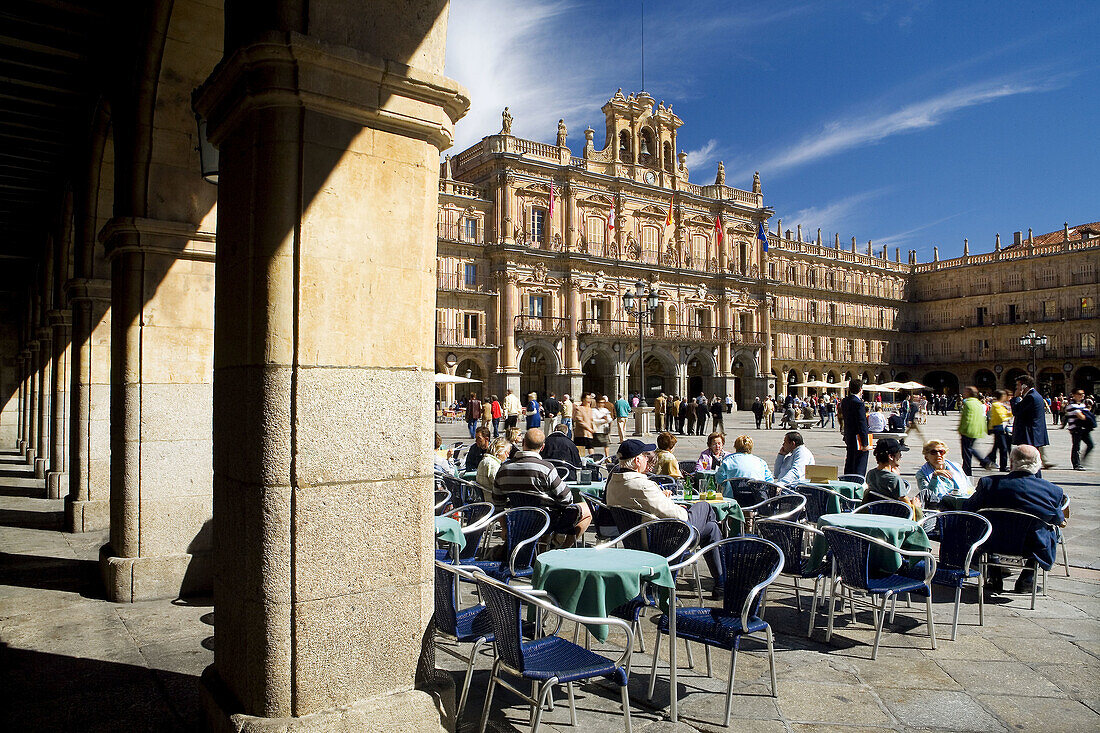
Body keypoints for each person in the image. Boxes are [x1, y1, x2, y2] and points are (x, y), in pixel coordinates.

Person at [605, 439, 725, 593]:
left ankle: (721, 584)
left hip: (634, 540)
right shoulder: (643, 486)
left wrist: (661, 498)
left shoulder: (613, 483)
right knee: (705, 507)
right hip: (663, 541)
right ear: (637, 460)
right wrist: (672, 504)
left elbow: (642, 504)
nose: (647, 459)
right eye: (644, 456)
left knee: (711, 528)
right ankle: (721, 581)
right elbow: (681, 517)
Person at [964, 445, 1068, 593]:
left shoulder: (989, 484)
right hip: (1031, 547)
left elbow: (968, 508)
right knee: (1051, 531)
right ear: (1038, 465)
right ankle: (1027, 579)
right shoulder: (1052, 491)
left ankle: (994, 576)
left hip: (991, 543)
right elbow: (1058, 519)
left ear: (1011, 462)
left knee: (985, 526)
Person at [494, 428, 592, 543]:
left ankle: (547, 543)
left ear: (523, 442)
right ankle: (563, 548)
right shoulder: (546, 468)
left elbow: (497, 502)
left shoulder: (504, 469)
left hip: (518, 520)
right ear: (542, 447)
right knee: (587, 509)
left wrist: (505, 527)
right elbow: (567, 498)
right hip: (546, 521)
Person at [1011, 375, 1054, 469]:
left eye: (1018, 385)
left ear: (1024, 386)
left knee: (1030, 463)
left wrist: (1016, 398)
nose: (1016, 388)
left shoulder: (1030, 397)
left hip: (1029, 435)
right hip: (1034, 434)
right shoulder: (1036, 395)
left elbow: (1016, 412)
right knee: (1033, 463)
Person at [861, 437, 914, 508]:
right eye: (899, 453)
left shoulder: (870, 474)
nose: (900, 456)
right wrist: (916, 505)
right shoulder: (894, 479)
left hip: (877, 510)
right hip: (896, 513)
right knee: (926, 494)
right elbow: (907, 505)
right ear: (891, 456)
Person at [915, 440, 971, 506]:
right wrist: (935, 476)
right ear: (926, 456)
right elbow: (927, 496)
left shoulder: (956, 467)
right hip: (939, 506)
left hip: (962, 502)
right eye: (934, 452)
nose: (938, 455)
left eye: (941, 452)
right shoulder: (922, 474)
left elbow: (969, 487)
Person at [840, 379, 871, 477]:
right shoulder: (859, 403)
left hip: (849, 437)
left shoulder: (845, 401)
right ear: (861, 389)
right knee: (860, 463)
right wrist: (865, 443)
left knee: (850, 461)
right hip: (859, 439)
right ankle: (858, 481)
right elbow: (862, 424)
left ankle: (847, 479)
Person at [956, 386, 986, 476]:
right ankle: (983, 462)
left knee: (966, 452)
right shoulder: (978, 403)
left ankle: (968, 471)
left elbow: (966, 418)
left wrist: (961, 429)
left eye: (965, 391)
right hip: (977, 429)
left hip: (968, 430)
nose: (963, 393)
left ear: (969, 393)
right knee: (970, 449)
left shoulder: (967, 403)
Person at [981, 389, 1012, 472]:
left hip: (1002, 428)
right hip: (999, 428)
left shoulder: (1001, 405)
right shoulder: (996, 405)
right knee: (1003, 448)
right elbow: (1001, 416)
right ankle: (1003, 466)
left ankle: (985, 461)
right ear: (1002, 396)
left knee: (997, 447)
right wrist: (1008, 415)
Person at [477, 437, 513, 509]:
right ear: (500, 451)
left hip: (485, 499)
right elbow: (498, 485)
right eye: (507, 453)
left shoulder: (485, 460)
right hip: (493, 502)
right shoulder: (492, 464)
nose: (508, 456)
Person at [1065, 389, 1095, 470]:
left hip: (1084, 429)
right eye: (1079, 394)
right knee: (1076, 446)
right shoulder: (1071, 406)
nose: (1082, 395)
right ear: (1074, 395)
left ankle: (1082, 459)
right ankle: (1076, 464)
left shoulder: (1082, 404)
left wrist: (1086, 414)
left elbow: (1085, 413)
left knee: (1090, 445)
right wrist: (1087, 415)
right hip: (1075, 429)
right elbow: (1081, 416)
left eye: (1083, 394)